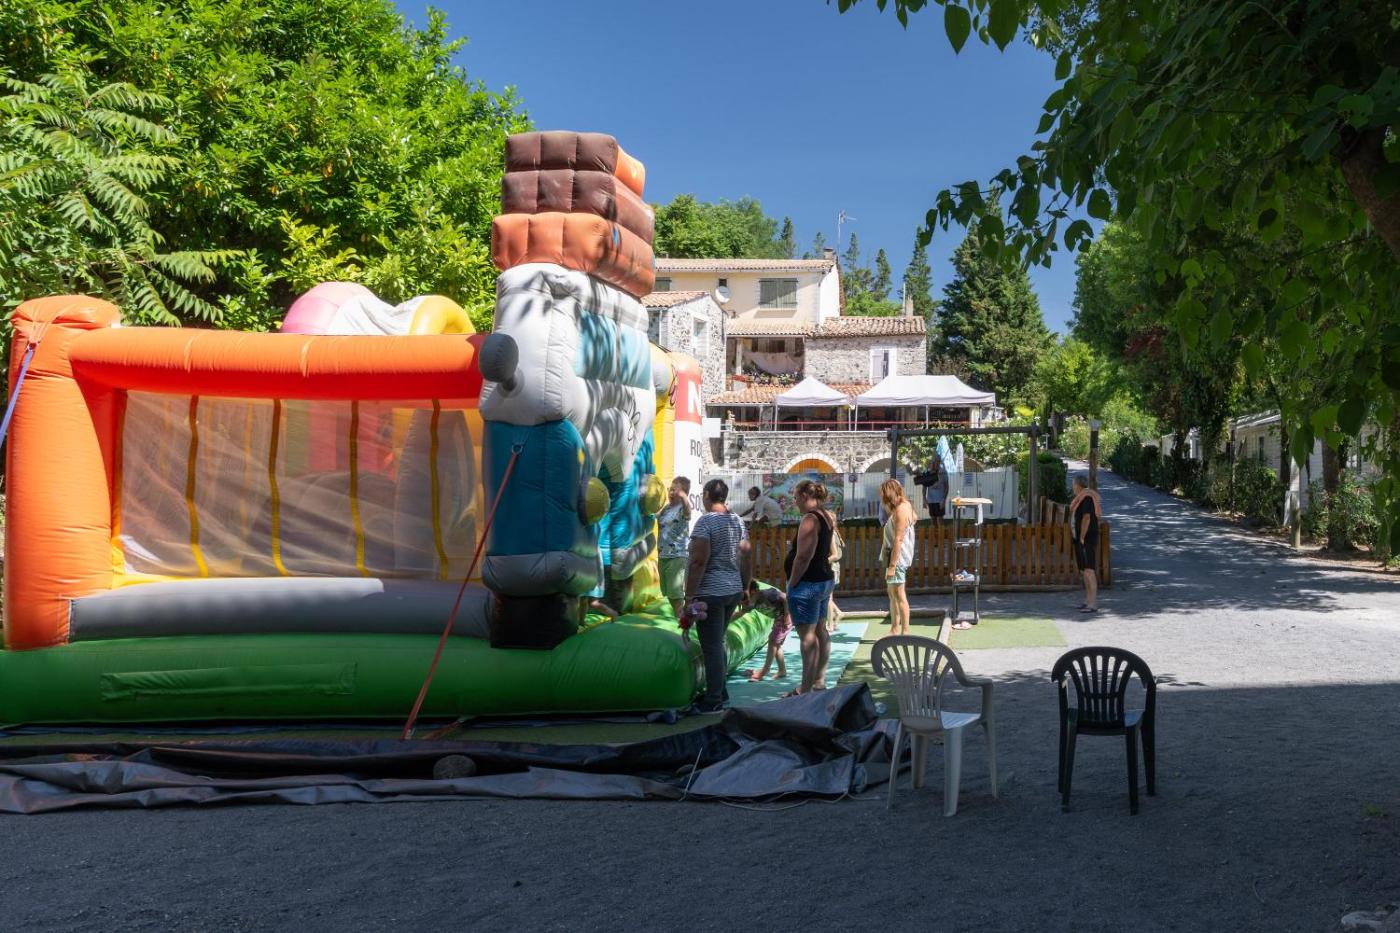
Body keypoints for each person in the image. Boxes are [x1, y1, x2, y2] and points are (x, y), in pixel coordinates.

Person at [681, 478, 752, 713]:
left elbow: (699, 561)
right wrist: (745, 586)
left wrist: (689, 596)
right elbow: (746, 554)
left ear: (707, 495)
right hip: (732, 589)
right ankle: (720, 691)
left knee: (711, 647)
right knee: (717, 642)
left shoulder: (706, 522)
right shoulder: (737, 521)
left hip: (710, 592)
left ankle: (713, 700)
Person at [782, 479, 837, 696]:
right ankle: (819, 681)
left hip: (808, 584)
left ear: (805, 496)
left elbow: (804, 556)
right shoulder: (826, 515)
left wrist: (792, 583)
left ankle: (805, 690)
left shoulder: (810, 519)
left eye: (796, 498)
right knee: (820, 631)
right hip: (823, 581)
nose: (795, 502)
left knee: (807, 637)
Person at [879, 478, 917, 637]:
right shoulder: (905, 505)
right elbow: (915, 517)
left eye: (883, 494)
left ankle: (904, 632)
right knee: (892, 593)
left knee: (899, 595)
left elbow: (898, 539)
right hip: (895, 557)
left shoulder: (901, 510)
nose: (881, 498)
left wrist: (893, 566)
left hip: (898, 559)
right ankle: (894, 629)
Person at [657, 476, 692, 617]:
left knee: (676, 595)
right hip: (663, 555)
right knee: (669, 594)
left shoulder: (682, 509)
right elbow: (654, 516)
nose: (671, 493)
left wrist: (683, 496)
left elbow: (688, 511)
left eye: (674, 490)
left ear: (683, 493)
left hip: (677, 556)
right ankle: (685, 616)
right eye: (670, 490)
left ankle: (683, 621)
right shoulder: (666, 508)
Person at [744, 581, 790, 682]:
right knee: (776, 644)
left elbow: (785, 597)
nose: (745, 601)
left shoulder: (767, 594)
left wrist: (787, 615)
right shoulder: (751, 602)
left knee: (773, 640)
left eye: (746, 597)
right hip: (779, 618)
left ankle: (764, 670)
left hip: (786, 616)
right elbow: (740, 613)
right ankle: (782, 670)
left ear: (753, 592)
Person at [1071, 475, 1101, 613]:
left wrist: (1082, 537)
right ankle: (1087, 601)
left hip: (1087, 539)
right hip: (1080, 539)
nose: (1072, 487)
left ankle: (1092, 604)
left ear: (1078, 485)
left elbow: (1087, 518)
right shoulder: (1081, 498)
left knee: (1089, 570)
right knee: (1084, 571)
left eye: (1073, 484)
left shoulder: (1087, 498)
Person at [825, 509, 845, 633]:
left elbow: (835, 555)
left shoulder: (831, 534)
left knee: (828, 598)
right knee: (827, 596)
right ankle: (838, 612)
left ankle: (830, 624)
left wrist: (821, 562)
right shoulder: (833, 533)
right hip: (833, 567)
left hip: (831, 567)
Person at [922, 459, 950, 523]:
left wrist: (944, 499)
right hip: (931, 500)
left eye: (937, 461)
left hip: (940, 500)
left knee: (940, 519)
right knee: (933, 519)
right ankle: (934, 529)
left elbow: (947, 487)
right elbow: (924, 487)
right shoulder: (927, 472)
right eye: (934, 462)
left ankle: (940, 529)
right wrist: (924, 499)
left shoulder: (943, 472)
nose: (936, 463)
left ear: (939, 462)